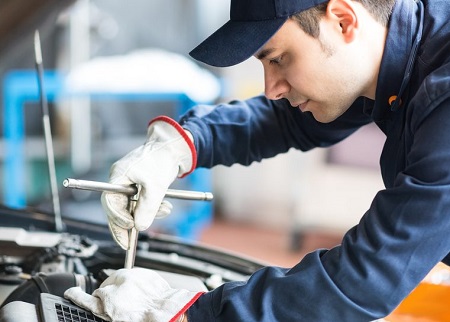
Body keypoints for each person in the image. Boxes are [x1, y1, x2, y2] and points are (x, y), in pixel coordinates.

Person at [64, 0, 450, 320]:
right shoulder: (397, 54)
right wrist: (180, 145)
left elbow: (363, 279)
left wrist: (188, 314)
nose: (271, 88)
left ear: (344, 20)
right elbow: (285, 120)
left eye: (279, 59)